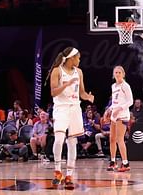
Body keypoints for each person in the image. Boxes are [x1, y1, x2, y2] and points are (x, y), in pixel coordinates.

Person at [47, 47, 95, 190]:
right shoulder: (57, 70)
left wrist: (88, 97)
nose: (79, 60)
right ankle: (57, 172)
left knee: (72, 142)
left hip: (75, 108)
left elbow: (82, 93)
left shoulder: (79, 72)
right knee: (59, 139)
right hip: (61, 108)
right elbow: (53, 92)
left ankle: (69, 176)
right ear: (71, 58)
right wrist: (66, 84)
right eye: (78, 57)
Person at [107, 65, 133, 172]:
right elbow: (115, 102)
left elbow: (130, 101)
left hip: (122, 115)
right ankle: (113, 162)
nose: (117, 74)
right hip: (114, 115)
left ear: (123, 74)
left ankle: (125, 163)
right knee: (112, 139)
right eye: (116, 72)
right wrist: (109, 109)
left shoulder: (125, 86)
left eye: (119, 72)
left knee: (119, 139)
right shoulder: (113, 86)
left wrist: (119, 109)